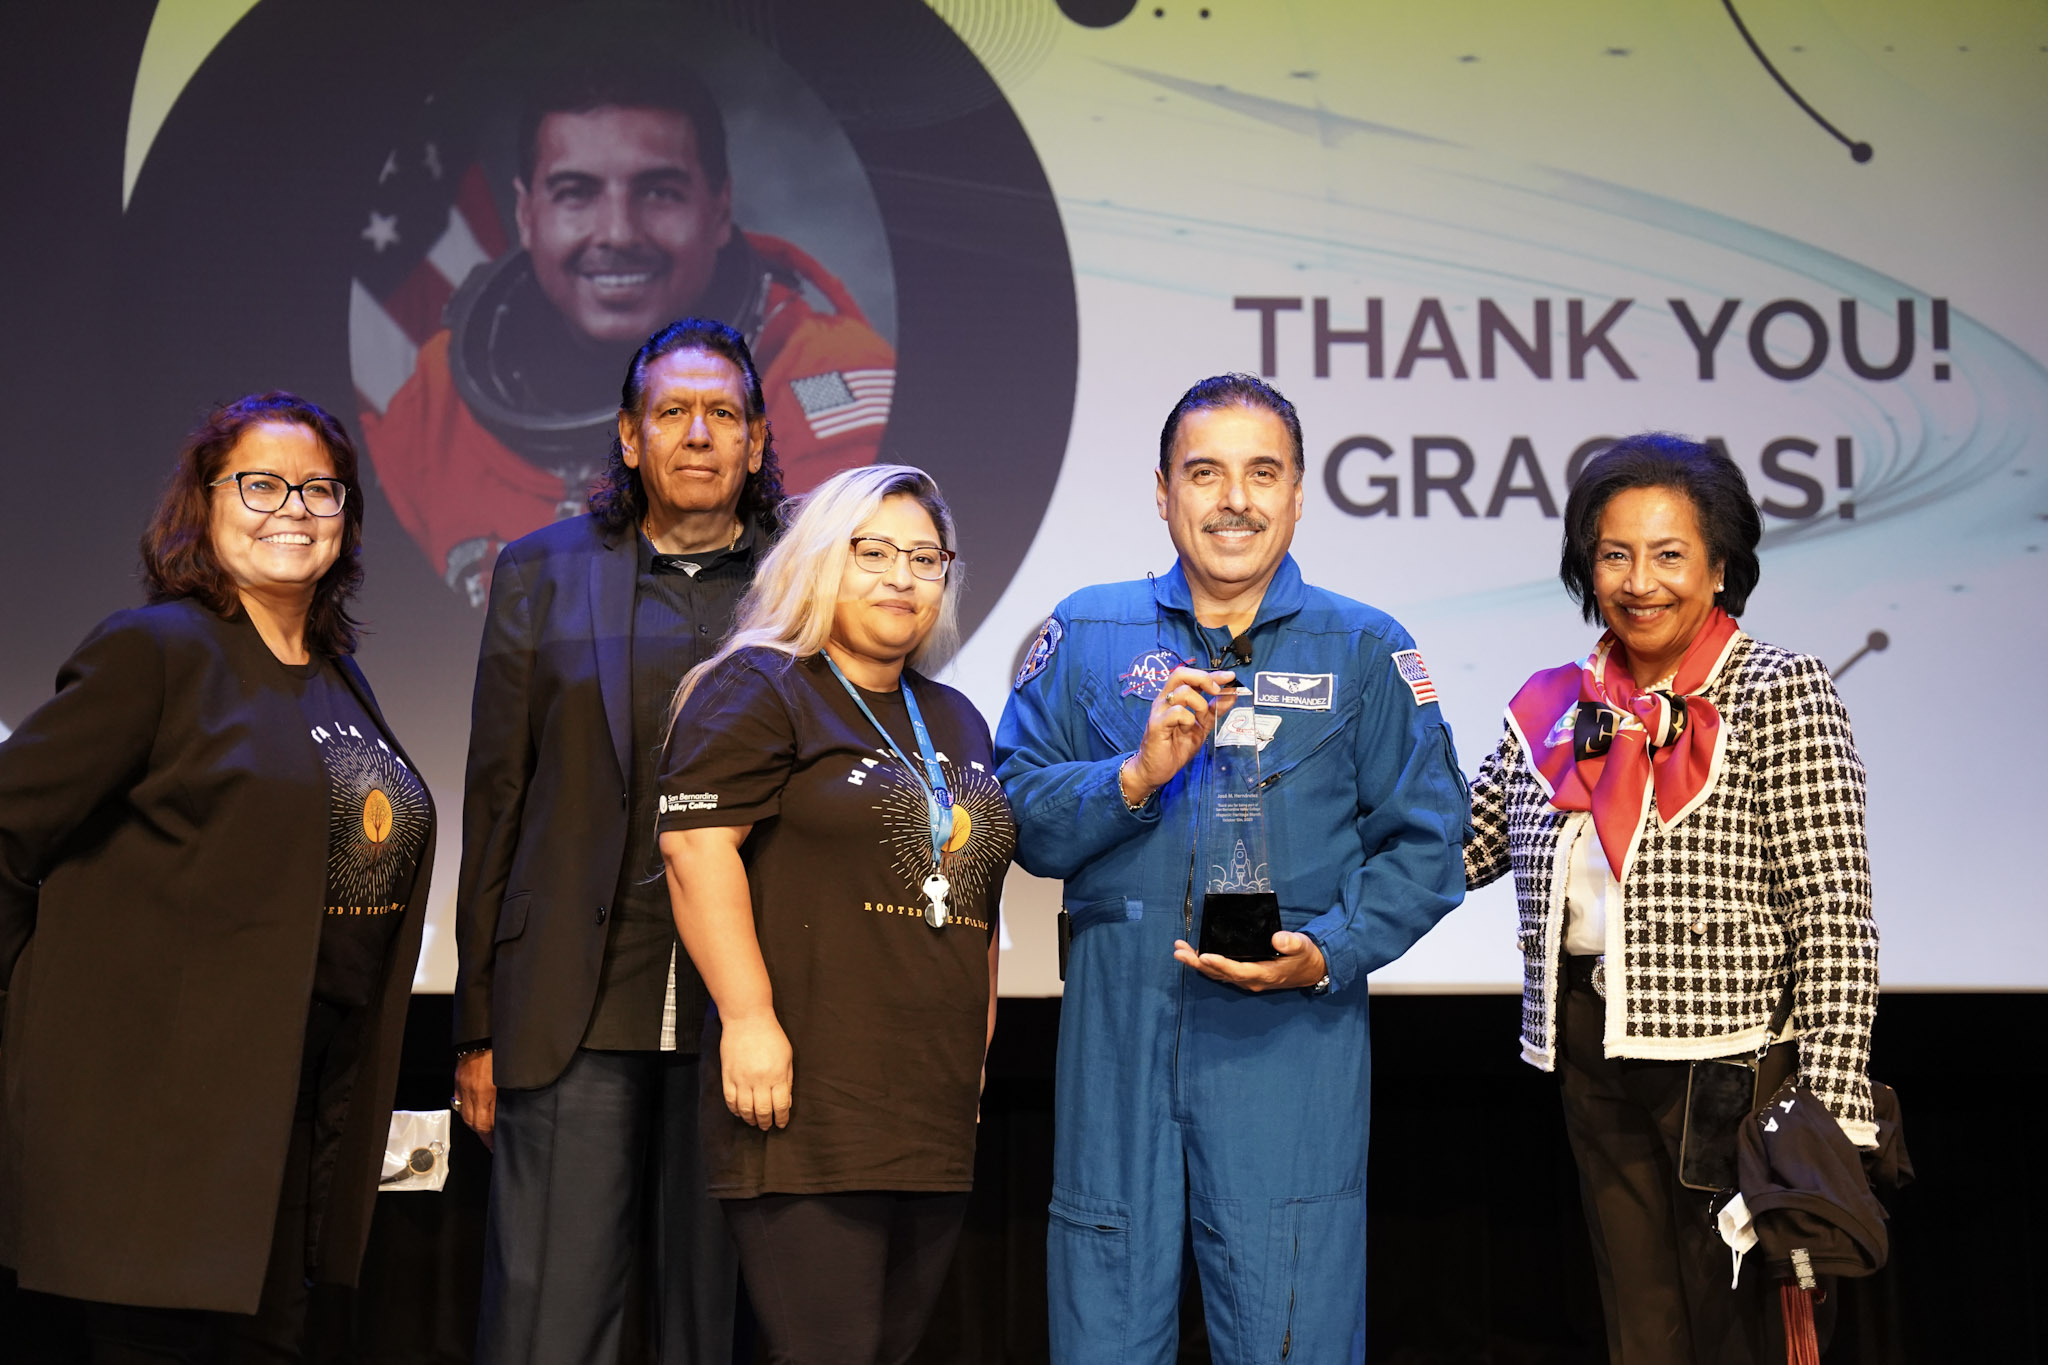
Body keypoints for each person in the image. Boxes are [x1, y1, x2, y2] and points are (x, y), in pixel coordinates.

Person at [994, 374, 1469, 1364]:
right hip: (1118, 1021)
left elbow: (1427, 848)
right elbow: (1020, 820)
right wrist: (1132, 775)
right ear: (1161, 493)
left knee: (1288, 1316)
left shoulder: (1368, 649)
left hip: (1287, 1033)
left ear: (1298, 494)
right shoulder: (1086, 633)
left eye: (1262, 473)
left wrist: (1325, 951)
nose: (1233, 499)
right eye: (1203, 473)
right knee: (1102, 1310)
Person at [0, 393, 434, 1360]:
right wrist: (45, 1016)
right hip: (158, 1134)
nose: (293, 506)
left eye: (321, 488)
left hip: (288, 1116)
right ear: (205, 501)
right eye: (261, 482)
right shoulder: (156, 651)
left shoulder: (332, 673)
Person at [1463, 433, 1879, 1364]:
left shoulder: (1781, 690)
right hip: (1593, 1055)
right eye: (1615, 554)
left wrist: (1836, 1115)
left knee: (1746, 1337)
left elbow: (1836, 914)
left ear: (1720, 567)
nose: (1638, 580)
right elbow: (1460, 843)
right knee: (1640, 1330)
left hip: (1736, 1072)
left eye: (1668, 554)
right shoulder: (1554, 706)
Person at [451, 317, 781, 1364]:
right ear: (629, 438)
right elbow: (498, 794)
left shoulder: (805, 585)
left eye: (721, 414)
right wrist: (474, 1024)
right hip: (570, 1007)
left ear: (758, 442)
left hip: (748, 1014)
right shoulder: (539, 571)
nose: (697, 435)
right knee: (549, 1324)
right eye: (672, 413)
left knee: (716, 1332)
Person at [657, 464, 1014, 1365]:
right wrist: (746, 1019)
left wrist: (971, 1055)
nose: (902, 576)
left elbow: (974, 891)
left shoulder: (958, 719)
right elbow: (695, 851)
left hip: (928, 1104)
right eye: (874, 552)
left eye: (926, 558)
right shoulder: (763, 686)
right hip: (808, 1101)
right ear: (821, 561)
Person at [360, 60, 895, 604]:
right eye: (575, 192)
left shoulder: (830, 393)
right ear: (527, 215)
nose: (617, 233)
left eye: (659, 191)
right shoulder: (436, 401)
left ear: (719, 207)